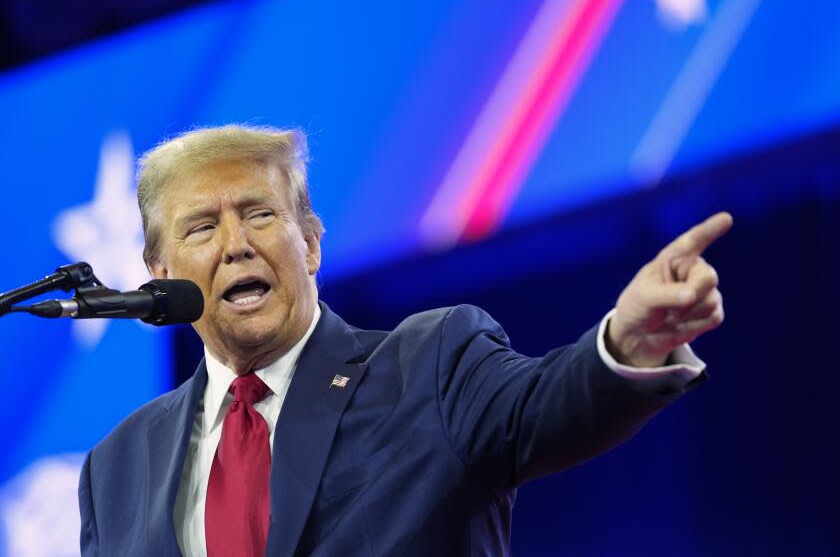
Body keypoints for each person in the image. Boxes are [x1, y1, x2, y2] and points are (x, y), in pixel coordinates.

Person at [78, 125, 730, 556]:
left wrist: (629, 342)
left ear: (309, 243)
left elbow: (549, 403)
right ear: (160, 274)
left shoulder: (431, 363)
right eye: (200, 227)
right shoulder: (117, 467)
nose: (236, 244)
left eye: (259, 213)